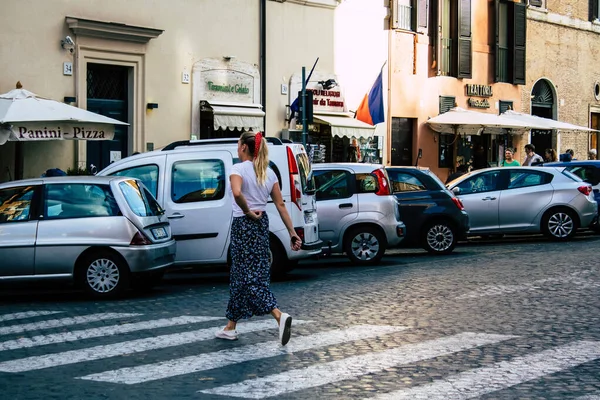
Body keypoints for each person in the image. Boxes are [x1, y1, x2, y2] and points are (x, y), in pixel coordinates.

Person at [216, 131, 301, 346]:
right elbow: (281, 205)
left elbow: (237, 193)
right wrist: (292, 232)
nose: (237, 148)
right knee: (245, 274)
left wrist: (247, 212)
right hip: (262, 226)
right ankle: (230, 327)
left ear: (244, 147)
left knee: (247, 277)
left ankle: (279, 316)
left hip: (245, 224)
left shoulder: (238, 169)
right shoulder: (268, 172)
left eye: (238, 144)